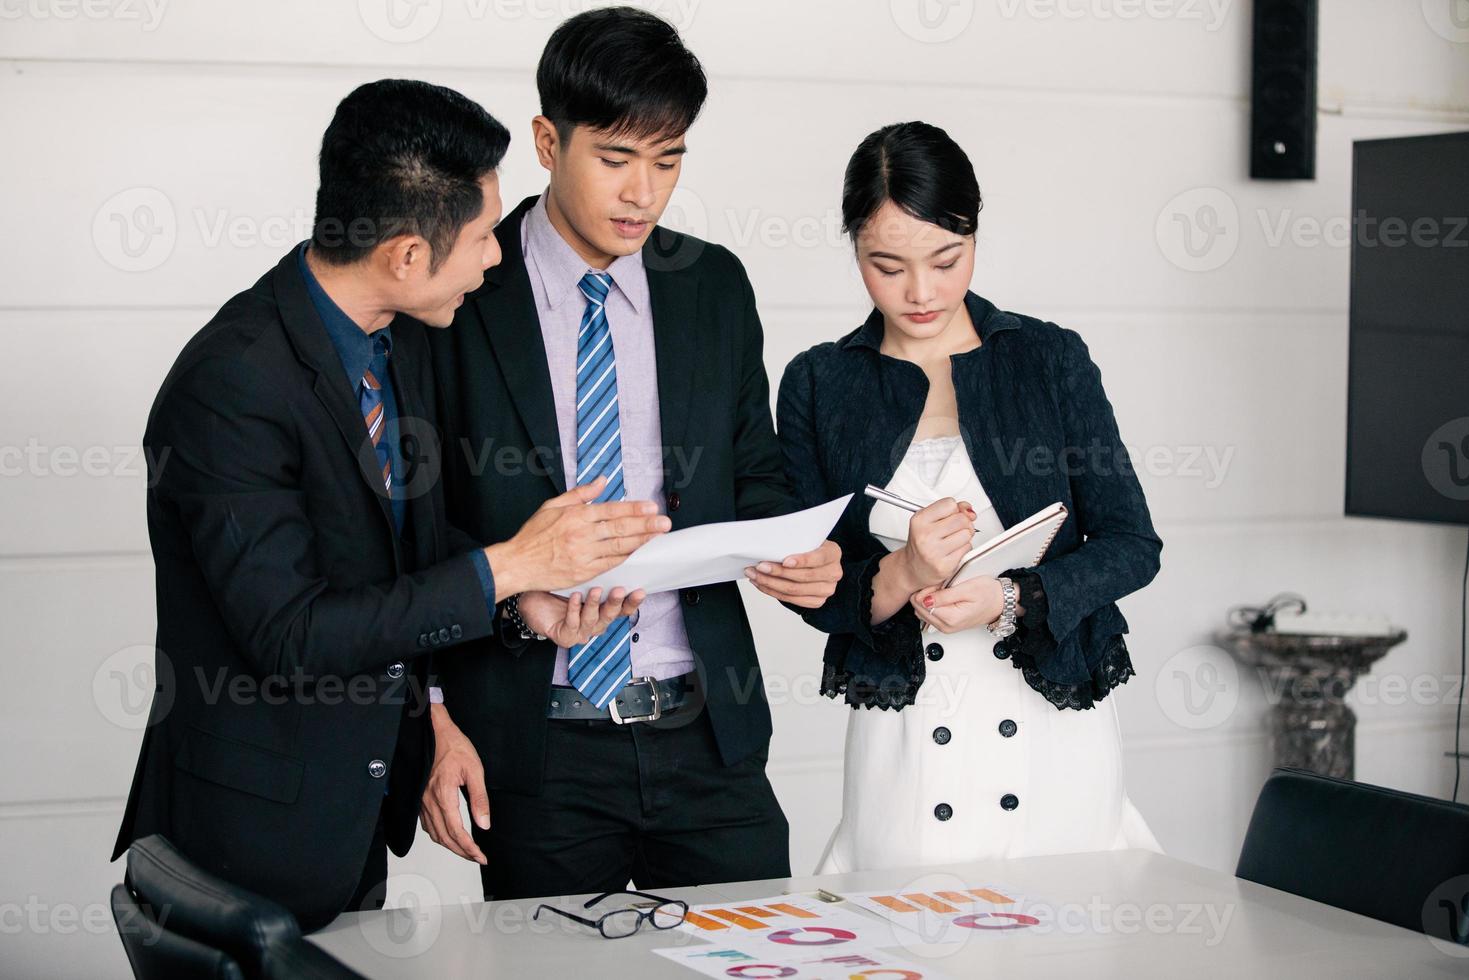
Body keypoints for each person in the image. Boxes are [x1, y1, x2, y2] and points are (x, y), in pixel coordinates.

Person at [111, 79, 667, 930]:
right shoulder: (231, 385)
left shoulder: (389, 339)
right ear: (408, 253)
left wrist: (518, 605)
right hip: (249, 835)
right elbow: (293, 636)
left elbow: (399, 551)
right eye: (483, 237)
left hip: (350, 821)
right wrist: (510, 563)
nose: (494, 259)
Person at [419, 7, 842, 900]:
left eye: (669, 159)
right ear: (546, 141)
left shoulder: (712, 285)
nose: (643, 193)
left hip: (706, 739)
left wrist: (801, 555)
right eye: (616, 158)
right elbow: (416, 523)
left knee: (760, 958)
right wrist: (468, 661)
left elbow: (754, 473)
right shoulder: (462, 291)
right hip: (538, 748)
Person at [774, 121, 1163, 873]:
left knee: (1062, 930)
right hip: (909, 736)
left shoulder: (1047, 358)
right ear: (853, 245)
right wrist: (904, 575)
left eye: (945, 260)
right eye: (886, 266)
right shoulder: (821, 382)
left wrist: (1011, 599)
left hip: (1050, 720)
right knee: (902, 934)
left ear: (974, 236)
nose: (920, 292)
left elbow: (1131, 545)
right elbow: (816, 587)